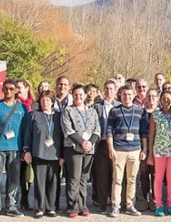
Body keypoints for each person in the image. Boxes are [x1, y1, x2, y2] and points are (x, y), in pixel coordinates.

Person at [0, 79, 28, 221]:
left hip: (15, 149)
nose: (8, 91)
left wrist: (25, 150)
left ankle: (12, 206)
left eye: (11, 89)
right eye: (6, 88)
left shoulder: (22, 108)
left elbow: (25, 131)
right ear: (2, 90)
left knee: (14, 180)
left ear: (15, 91)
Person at [106, 85, 149, 217]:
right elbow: (109, 131)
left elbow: (144, 133)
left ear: (134, 95)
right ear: (120, 95)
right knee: (117, 179)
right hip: (119, 149)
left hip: (135, 149)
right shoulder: (114, 111)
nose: (127, 97)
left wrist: (145, 149)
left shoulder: (141, 112)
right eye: (124, 94)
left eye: (130, 94)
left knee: (132, 179)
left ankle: (130, 205)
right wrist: (111, 148)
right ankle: (115, 205)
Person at [61, 84, 100, 218]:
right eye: (76, 95)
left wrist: (90, 142)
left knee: (84, 178)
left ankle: (83, 205)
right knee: (74, 178)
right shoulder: (68, 111)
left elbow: (97, 130)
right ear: (72, 96)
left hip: (89, 149)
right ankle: (72, 206)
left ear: (85, 95)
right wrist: (82, 142)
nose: (78, 97)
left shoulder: (92, 111)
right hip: (73, 148)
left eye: (81, 94)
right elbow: (68, 130)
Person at [23, 90, 62, 218]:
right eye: (43, 100)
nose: (45, 102)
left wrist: (62, 156)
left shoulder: (59, 116)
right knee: (39, 182)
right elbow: (28, 134)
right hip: (38, 152)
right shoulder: (33, 115)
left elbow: (63, 136)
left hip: (55, 154)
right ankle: (39, 207)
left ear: (52, 102)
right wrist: (27, 151)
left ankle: (51, 207)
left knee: (53, 181)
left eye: (48, 100)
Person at [147, 91, 171, 216]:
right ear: (160, 100)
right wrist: (150, 154)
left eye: (168, 99)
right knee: (159, 178)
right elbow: (151, 135)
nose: (166, 101)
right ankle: (159, 205)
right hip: (159, 151)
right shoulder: (155, 114)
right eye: (164, 99)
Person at [92, 80, 120, 212]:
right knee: (102, 175)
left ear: (115, 91)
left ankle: (115, 201)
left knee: (116, 175)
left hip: (118, 143)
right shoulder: (96, 106)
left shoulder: (120, 106)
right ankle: (102, 203)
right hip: (101, 143)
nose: (109, 91)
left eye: (111, 89)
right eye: (106, 89)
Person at [16, 79, 36, 211]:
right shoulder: (14, 104)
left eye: (19, 87)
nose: (17, 90)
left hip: (34, 144)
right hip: (18, 142)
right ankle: (23, 199)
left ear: (27, 88)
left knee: (33, 174)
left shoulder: (35, 105)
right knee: (21, 174)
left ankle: (35, 199)